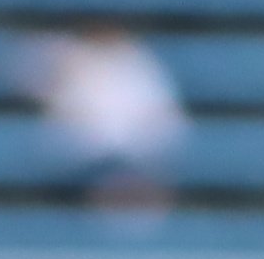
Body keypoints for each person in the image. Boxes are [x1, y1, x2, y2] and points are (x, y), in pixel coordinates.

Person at [17, 18, 188, 219]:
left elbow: (166, 131)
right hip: (77, 168)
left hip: (131, 162)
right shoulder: (66, 56)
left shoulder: (140, 67)